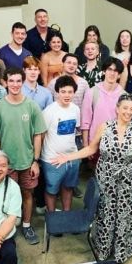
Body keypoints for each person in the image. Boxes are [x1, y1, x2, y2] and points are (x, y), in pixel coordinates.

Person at [53, 93, 132, 263]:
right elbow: (91, 149)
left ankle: (121, 251)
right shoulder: (105, 127)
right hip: (105, 179)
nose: (128, 112)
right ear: (117, 109)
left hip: (128, 181)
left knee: (125, 215)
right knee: (105, 213)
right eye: (125, 108)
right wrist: (68, 157)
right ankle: (103, 249)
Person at [0, 68, 46, 245]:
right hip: (6, 164)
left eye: (19, 81)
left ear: (23, 82)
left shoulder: (31, 106)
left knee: (27, 194)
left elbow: (38, 135)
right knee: (5, 196)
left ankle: (26, 225)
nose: (15, 84)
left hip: (27, 161)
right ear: (6, 82)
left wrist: (35, 161)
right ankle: (4, 229)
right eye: (11, 81)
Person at [40, 75, 81, 212]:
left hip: (71, 157)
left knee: (68, 188)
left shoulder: (75, 109)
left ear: (74, 93)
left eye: (70, 92)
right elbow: (41, 135)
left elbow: (75, 132)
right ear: (57, 92)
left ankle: (66, 215)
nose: (67, 95)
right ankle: (52, 218)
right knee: (52, 190)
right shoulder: (49, 111)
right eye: (63, 91)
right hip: (52, 158)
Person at [81, 58, 125, 143]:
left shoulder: (124, 95)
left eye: (116, 71)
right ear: (104, 71)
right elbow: (85, 122)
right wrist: (86, 145)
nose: (112, 73)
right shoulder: (92, 92)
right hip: (94, 143)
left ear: (119, 75)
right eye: (109, 69)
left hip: (115, 145)